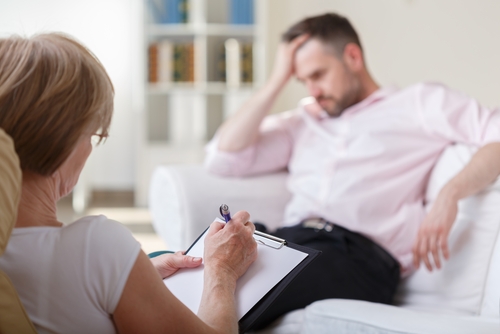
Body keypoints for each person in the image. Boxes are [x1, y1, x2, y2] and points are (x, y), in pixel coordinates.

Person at [204, 12, 500, 328]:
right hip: (290, 238)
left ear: (353, 57)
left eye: (318, 74)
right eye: (302, 79)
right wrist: (276, 79)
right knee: (176, 272)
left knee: (235, 293)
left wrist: (449, 194)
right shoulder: (304, 121)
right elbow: (222, 158)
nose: (312, 89)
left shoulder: (418, 103)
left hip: (358, 257)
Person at [0, 33, 257, 333]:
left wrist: (134, 274)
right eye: (93, 135)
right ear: (64, 138)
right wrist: (222, 272)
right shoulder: (94, 246)